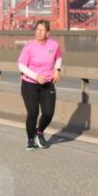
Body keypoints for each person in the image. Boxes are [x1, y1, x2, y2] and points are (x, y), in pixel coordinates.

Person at [18, 19, 62, 150]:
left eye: (42, 30)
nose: (39, 32)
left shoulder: (54, 45)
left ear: (48, 33)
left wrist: (57, 70)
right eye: (37, 30)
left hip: (47, 84)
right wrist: (36, 76)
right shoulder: (29, 47)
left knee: (48, 113)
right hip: (29, 84)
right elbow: (21, 65)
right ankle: (30, 140)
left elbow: (58, 58)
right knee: (33, 113)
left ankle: (39, 131)